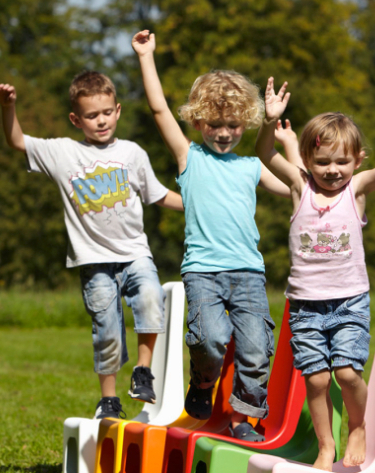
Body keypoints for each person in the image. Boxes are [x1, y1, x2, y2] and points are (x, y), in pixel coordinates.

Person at [256, 77, 375, 469]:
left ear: (357, 160)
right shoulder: (298, 187)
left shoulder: (356, 191)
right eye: (322, 162)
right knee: (316, 381)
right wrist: (269, 121)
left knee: (348, 374)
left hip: (349, 300)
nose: (332, 170)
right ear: (307, 160)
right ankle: (325, 446)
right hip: (305, 306)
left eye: (342, 162)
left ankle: (357, 426)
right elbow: (265, 152)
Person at [0, 71, 184, 419]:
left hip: (134, 253)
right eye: (92, 115)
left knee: (151, 297)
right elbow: (17, 140)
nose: (101, 121)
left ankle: (143, 371)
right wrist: (9, 108)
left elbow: (157, 195)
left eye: (107, 112)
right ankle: (109, 400)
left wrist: (198, 203)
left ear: (118, 110)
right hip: (93, 260)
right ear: (76, 119)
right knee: (107, 330)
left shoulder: (132, 153)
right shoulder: (63, 153)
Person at [132, 30, 290, 442]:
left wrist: (280, 132)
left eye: (234, 124)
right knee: (210, 338)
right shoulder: (190, 157)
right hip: (203, 272)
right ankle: (202, 383)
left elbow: (296, 185)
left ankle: (242, 418)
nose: (224, 132)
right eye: (215, 124)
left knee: (256, 349)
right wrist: (147, 56)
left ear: (246, 123)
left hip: (249, 274)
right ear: (199, 122)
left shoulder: (251, 166)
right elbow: (158, 109)